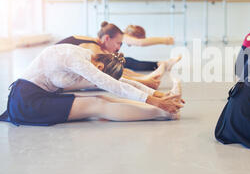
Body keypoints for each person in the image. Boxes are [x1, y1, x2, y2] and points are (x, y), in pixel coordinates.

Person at [0, 44, 184, 126]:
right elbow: (113, 85)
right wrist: (155, 102)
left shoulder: (85, 57)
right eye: (101, 74)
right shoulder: (76, 59)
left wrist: (158, 95)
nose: (98, 78)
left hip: (37, 96)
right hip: (27, 102)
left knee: (102, 97)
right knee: (98, 104)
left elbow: (119, 82)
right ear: (100, 66)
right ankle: (164, 113)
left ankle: (164, 108)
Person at [57, 22, 181, 89]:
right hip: (56, 75)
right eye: (118, 43)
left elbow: (119, 70)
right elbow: (110, 74)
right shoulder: (94, 48)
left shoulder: (96, 44)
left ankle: (153, 70)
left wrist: (144, 78)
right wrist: (143, 81)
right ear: (106, 38)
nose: (118, 48)